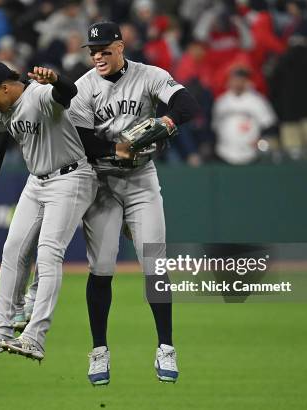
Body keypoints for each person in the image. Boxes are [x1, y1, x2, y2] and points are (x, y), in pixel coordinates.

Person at [0, 61, 99, 361]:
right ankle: (2, 331)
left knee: (49, 254)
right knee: (13, 250)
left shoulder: (38, 95)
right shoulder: (2, 109)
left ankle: (35, 337)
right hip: (36, 181)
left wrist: (57, 79)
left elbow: (68, 92)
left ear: (6, 87)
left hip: (72, 177)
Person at [70, 21, 196, 384]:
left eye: (105, 49)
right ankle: (99, 352)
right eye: (93, 51)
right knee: (103, 268)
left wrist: (168, 121)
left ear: (121, 46)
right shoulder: (84, 87)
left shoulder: (149, 75)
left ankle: (166, 348)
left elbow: (187, 103)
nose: (98, 56)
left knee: (155, 265)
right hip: (102, 181)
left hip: (141, 178)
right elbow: (80, 140)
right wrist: (116, 148)